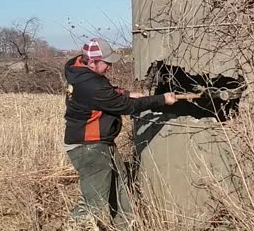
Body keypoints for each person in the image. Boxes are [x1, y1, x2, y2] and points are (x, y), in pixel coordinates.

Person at [63, 38, 177, 230]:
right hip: (89, 147)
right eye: (106, 63)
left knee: (120, 186)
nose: (109, 67)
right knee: (94, 200)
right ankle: (74, 225)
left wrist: (126, 92)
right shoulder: (91, 86)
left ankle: (126, 226)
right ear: (91, 63)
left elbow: (109, 93)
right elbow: (126, 107)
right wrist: (160, 100)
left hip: (101, 143)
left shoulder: (78, 69)